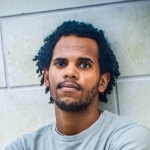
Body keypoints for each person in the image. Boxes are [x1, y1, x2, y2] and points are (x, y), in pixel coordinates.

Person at [6, 20, 150, 150]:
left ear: (103, 82)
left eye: (84, 65)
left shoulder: (129, 138)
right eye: (61, 63)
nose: (70, 72)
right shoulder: (25, 146)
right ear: (46, 77)